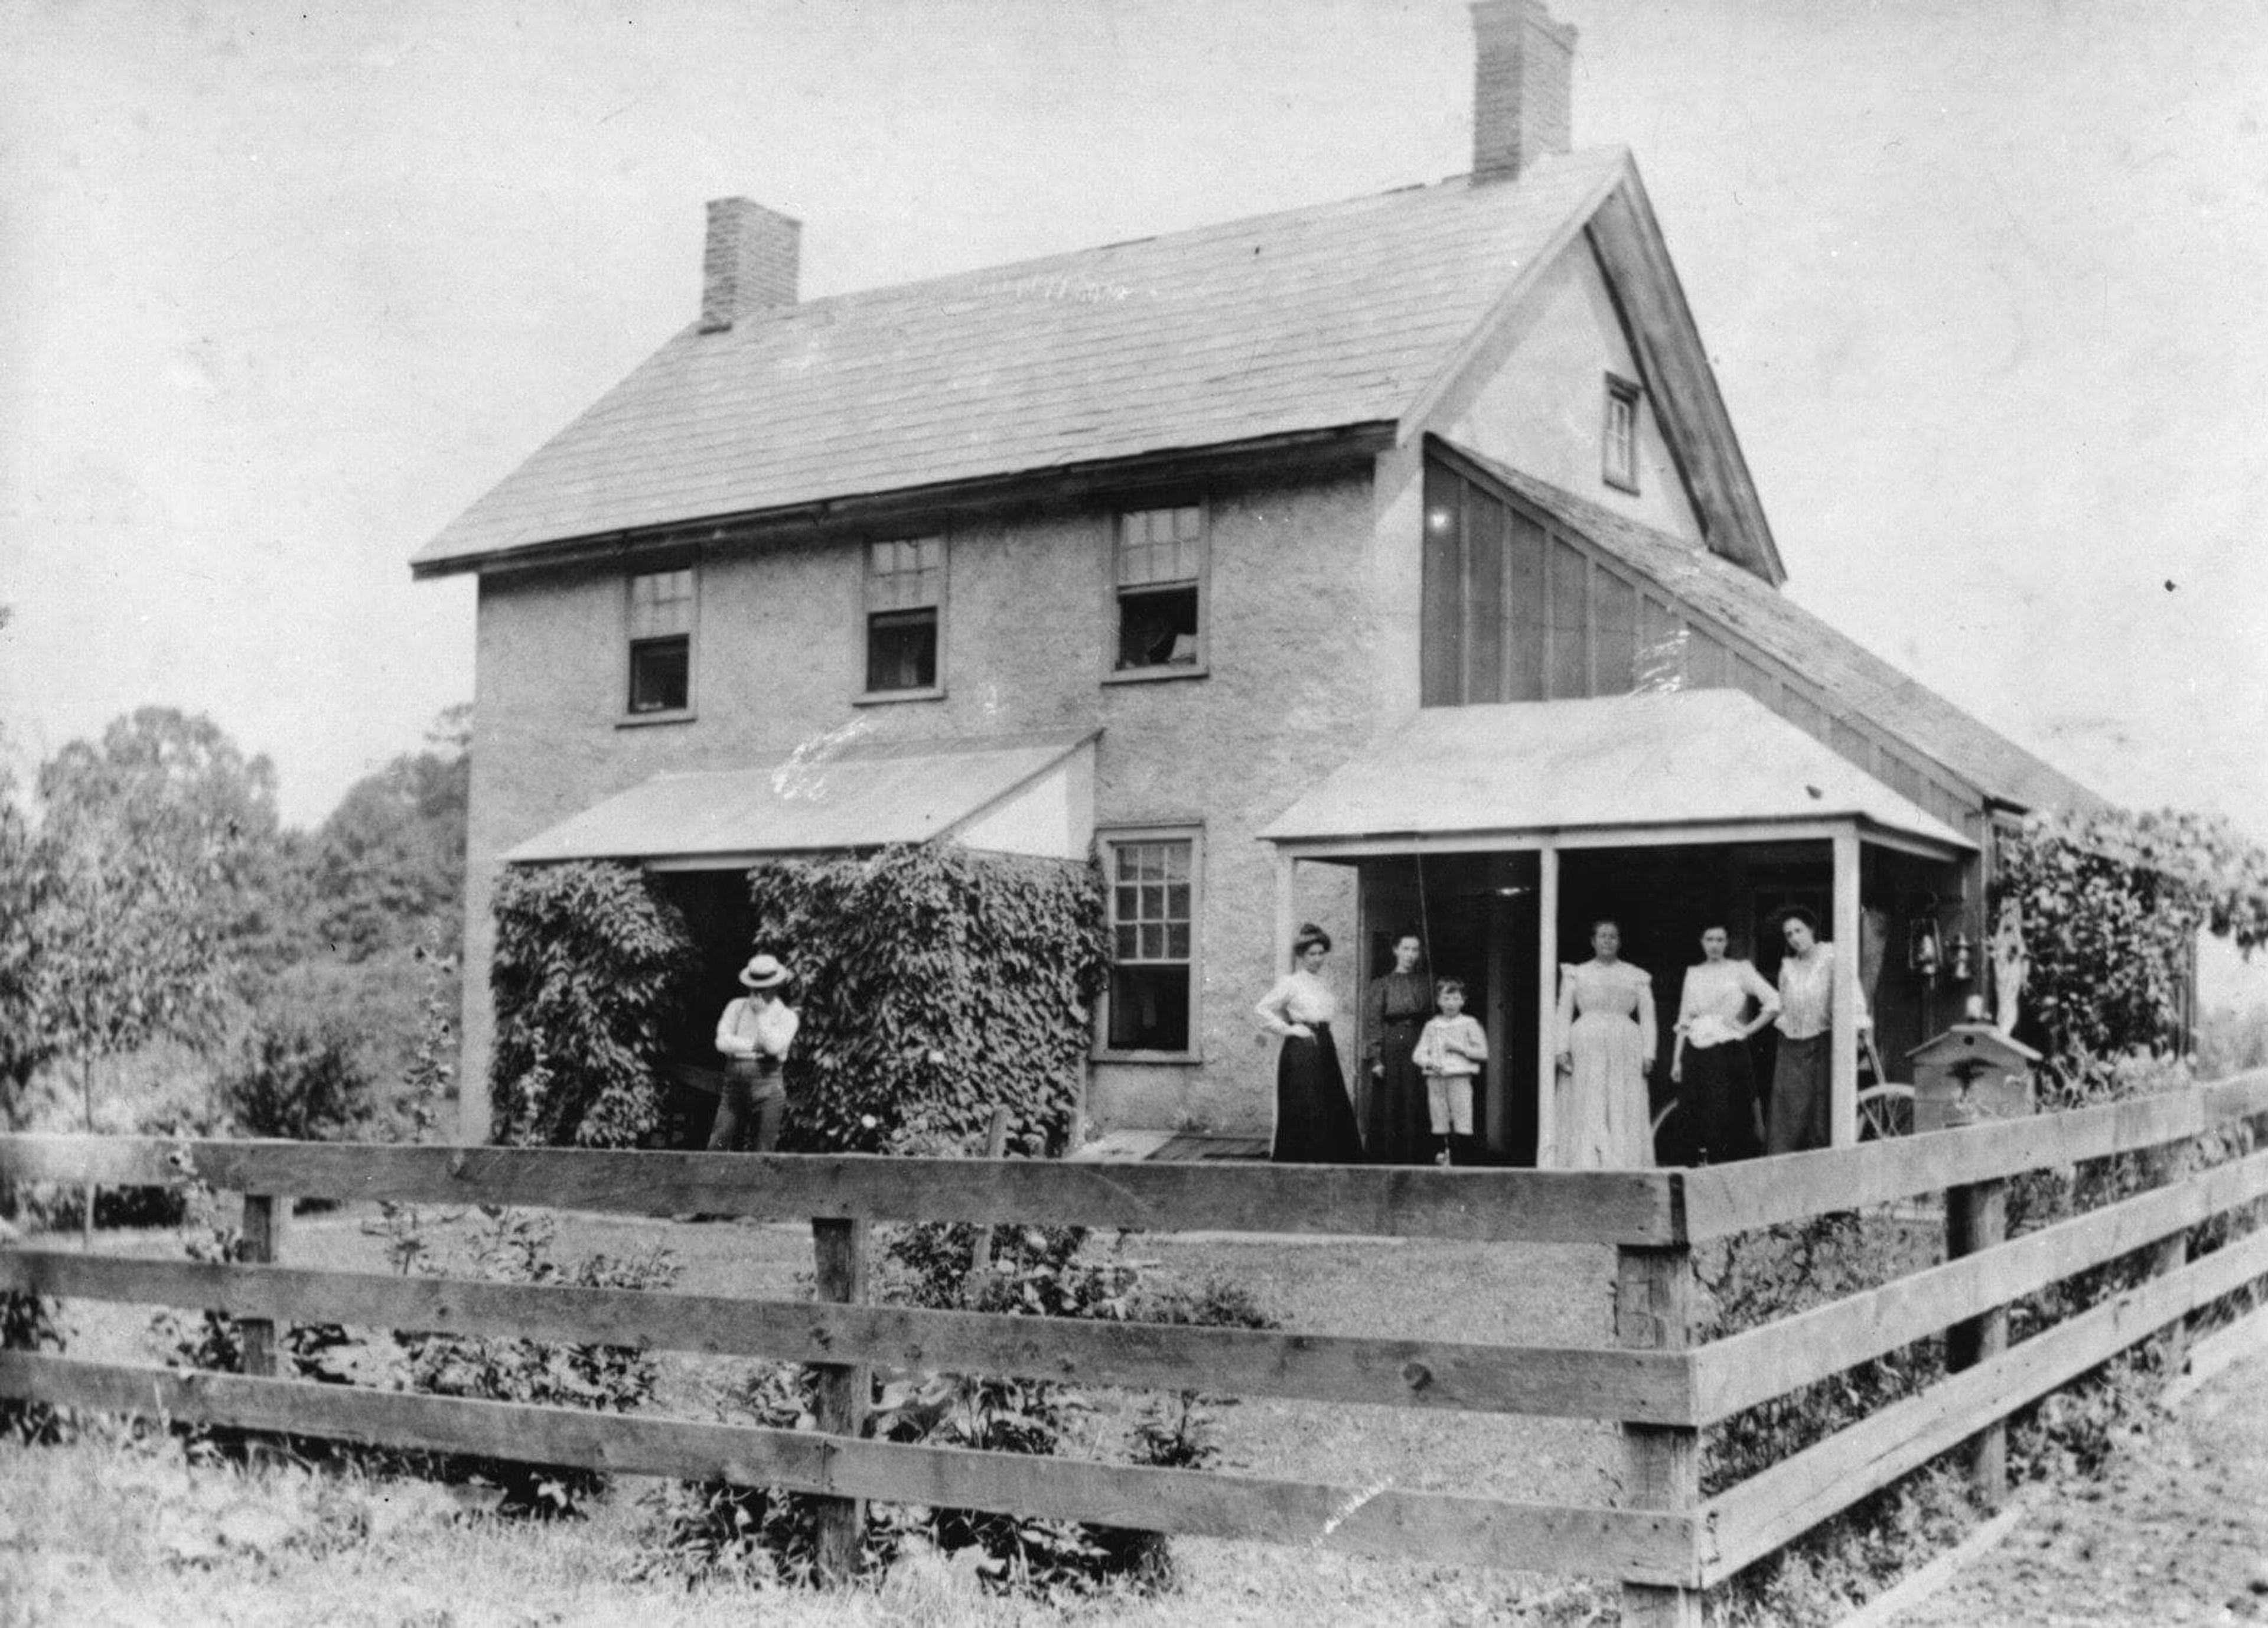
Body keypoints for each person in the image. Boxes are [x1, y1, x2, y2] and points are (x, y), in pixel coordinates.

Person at [1254, 923, 1364, 1164]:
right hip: (1301, 1049)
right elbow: (1262, 1010)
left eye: (1320, 953)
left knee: (1329, 1101)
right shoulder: (1291, 982)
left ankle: (1329, 1162)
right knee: (1305, 1102)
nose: (1317, 959)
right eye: (1311, 954)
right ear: (1302, 956)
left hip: (1325, 1043)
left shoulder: (1323, 984)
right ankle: (1300, 1163)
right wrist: (1289, 1029)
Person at [1670, 925, 1780, 1164]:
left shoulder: (1740, 970)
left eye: (1720, 939)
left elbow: (1774, 1001)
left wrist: (1747, 1028)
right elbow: (1685, 1018)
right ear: (1702, 942)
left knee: (1726, 1112)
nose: (1715, 945)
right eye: (1709, 939)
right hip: (1696, 1048)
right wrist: (1677, 1060)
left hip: (1728, 1049)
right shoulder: (1694, 973)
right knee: (1695, 1113)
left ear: (1727, 942)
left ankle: (1727, 1172)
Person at [1554, 919, 1657, 1168]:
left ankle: (1623, 1160)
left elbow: (1648, 1016)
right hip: (1587, 1039)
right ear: (1593, 941)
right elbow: (1564, 1012)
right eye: (1603, 936)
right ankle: (1587, 1160)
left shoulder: (1636, 975)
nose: (1608, 941)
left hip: (1625, 1041)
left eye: (1613, 937)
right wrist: (1561, 1048)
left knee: (1622, 1097)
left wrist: (1649, 1053)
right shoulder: (1576, 973)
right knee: (1590, 1096)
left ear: (1619, 942)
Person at [1768, 909, 1870, 1154]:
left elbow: (1850, 992)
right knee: (1788, 1110)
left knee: (1820, 1111)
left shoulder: (1831, 957)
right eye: (1789, 934)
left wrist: (1858, 1027)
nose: (1794, 938)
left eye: (1799, 931)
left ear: (1811, 930)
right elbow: (1783, 1003)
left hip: (1823, 1042)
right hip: (1791, 1047)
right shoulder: (1788, 968)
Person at [710, 953, 799, 1153]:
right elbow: (722, 1042)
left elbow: (774, 1048)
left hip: (768, 1085)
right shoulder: (736, 1007)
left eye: (763, 988)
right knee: (719, 1143)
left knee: (762, 1151)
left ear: (775, 987)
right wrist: (753, 1046)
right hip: (734, 1085)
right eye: (754, 987)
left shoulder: (787, 1016)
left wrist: (761, 1016)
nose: (757, 992)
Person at [1361, 930, 1432, 1165]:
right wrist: (1376, 1057)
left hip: (1419, 1040)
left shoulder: (1427, 982)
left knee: (1416, 1098)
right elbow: (1373, 1021)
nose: (1411, 955)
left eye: (1415, 950)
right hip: (1392, 1042)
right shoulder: (1382, 984)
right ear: (1395, 950)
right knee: (1391, 1098)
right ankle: (1387, 1158)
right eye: (1406, 949)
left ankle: (1417, 1157)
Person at [1412, 977, 1488, 1167]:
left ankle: (1464, 1163)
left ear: (1463, 1000)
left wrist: (1460, 1047)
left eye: (1455, 998)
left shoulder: (1470, 1023)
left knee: (1463, 1118)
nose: (1451, 1003)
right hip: (1437, 1078)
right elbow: (1418, 1054)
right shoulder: (1432, 1025)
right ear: (1438, 1001)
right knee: (1439, 1119)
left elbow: (1482, 1053)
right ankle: (1442, 1161)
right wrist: (1430, 1063)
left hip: (1460, 1078)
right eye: (1446, 999)